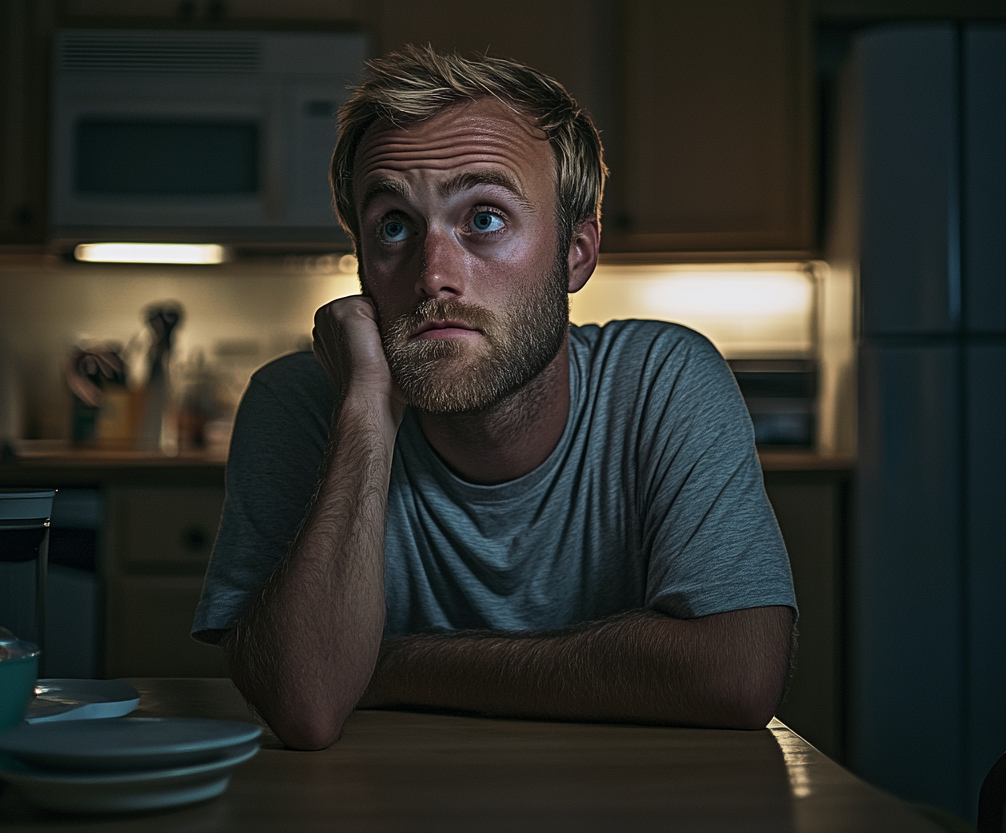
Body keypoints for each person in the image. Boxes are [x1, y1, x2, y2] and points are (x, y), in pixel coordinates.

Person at [193, 47, 797, 750]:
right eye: (393, 224)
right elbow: (305, 703)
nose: (433, 277)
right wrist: (364, 413)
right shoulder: (302, 401)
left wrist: (388, 668)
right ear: (360, 262)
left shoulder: (662, 379)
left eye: (484, 217)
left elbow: (738, 674)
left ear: (576, 253)